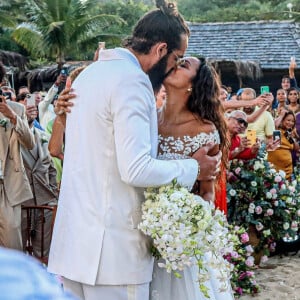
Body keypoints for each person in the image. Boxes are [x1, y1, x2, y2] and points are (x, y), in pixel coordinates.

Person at [48, 2, 221, 300]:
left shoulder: (89, 75)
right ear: (160, 49)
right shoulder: (133, 81)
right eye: (177, 58)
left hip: (74, 247)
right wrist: (195, 168)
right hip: (114, 254)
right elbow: (136, 169)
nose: (175, 66)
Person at [151, 57, 233, 299]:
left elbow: (207, 193)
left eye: (183, 65)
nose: (174, 65)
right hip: (140, 230)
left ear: (193, 85)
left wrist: (185, 224)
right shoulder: (147, 120)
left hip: (179, 238)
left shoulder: (204, 131)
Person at [20, 103, 58, 258]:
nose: (31, 108)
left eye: (33, 105)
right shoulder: (10, 137)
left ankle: (40, 279)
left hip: (44, 202)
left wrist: (53, 196)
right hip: (22, 202)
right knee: (20, 250)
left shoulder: (43, 136)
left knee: (42, 251)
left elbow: (51, 169)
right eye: (24, 102)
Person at [0, 87, 35, 251]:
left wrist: (13, 117)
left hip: (8, 189)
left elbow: (30, 143)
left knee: (12, 245)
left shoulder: (16, 109)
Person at [268, 110, 299, 180]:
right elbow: (275, 125)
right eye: (288, 120)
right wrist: (281, 115)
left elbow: (296, 148)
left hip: (288, 170)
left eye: (292, 121)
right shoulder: (277, 131)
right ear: (282, 120)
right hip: (276, 169)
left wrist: (292, 138)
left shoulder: (287, 134)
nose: (290, 123)